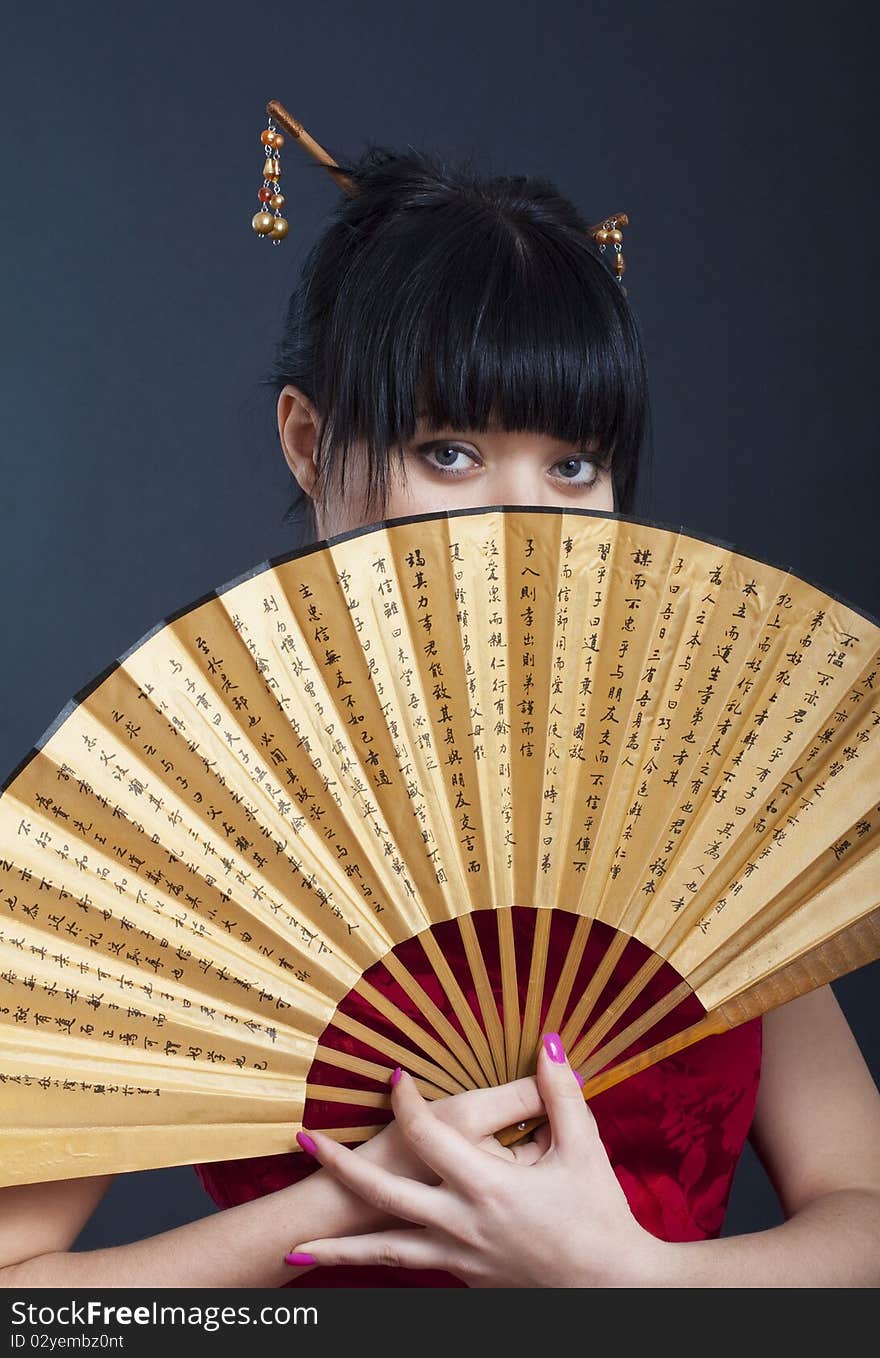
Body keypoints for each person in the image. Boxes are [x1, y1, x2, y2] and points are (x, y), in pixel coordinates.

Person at [1, 148, 878, 1290]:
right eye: (448, 451)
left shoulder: (691, 792)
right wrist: (362, 1186)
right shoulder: (188, 817)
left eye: (572, 464)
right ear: (308, 443)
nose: (522, 518)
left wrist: (630, 1282)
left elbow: (863, 1212)